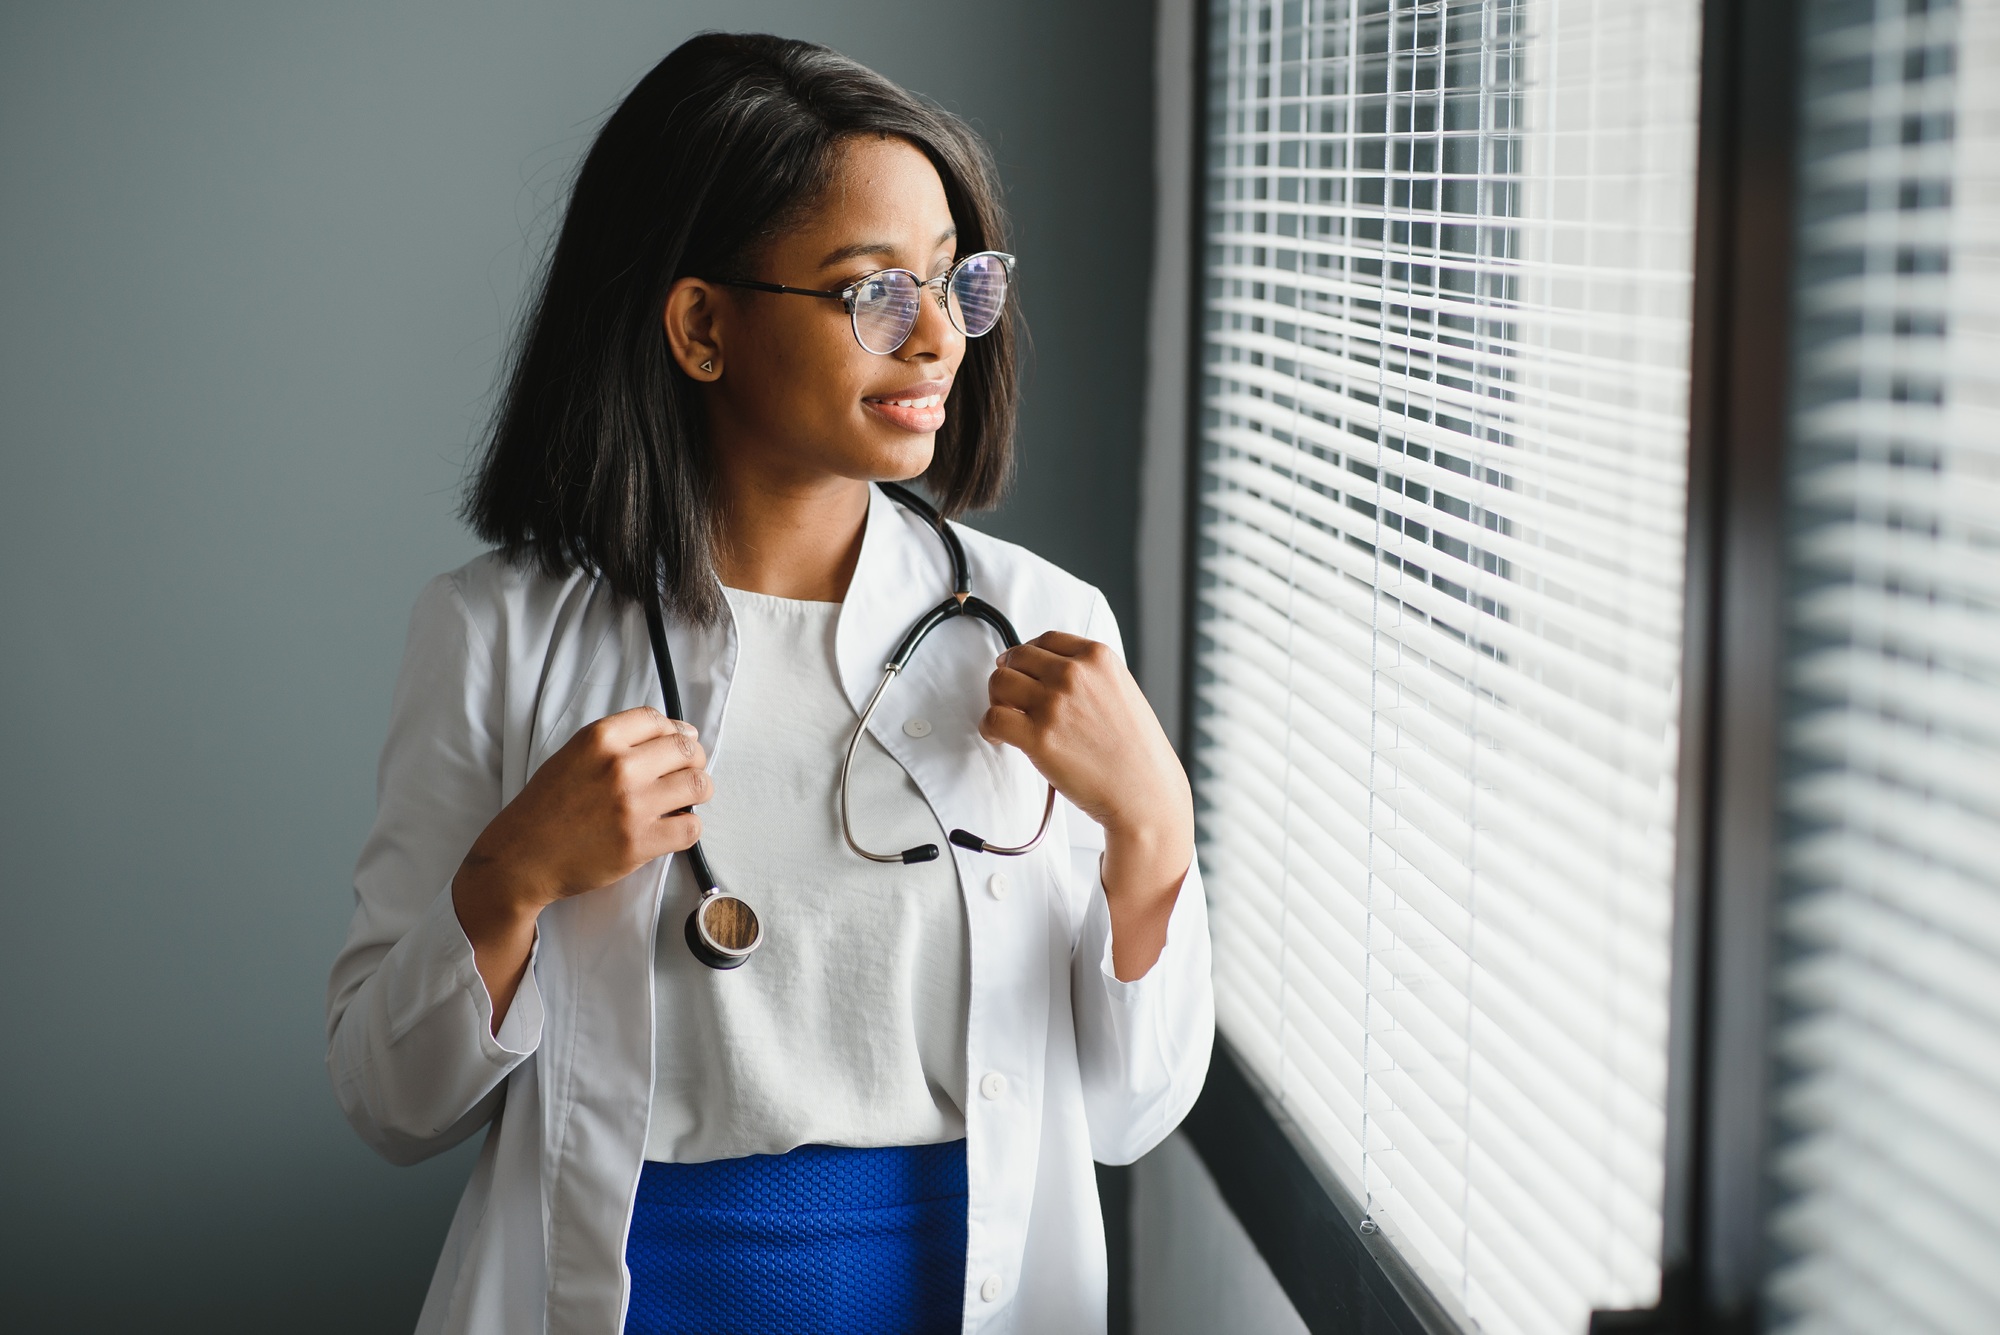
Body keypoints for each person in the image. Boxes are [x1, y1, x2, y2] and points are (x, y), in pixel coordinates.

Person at [326, 31, 1212, 1335]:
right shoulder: (496, 637)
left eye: (955, 283)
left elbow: (1135, 1112)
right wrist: (507, 880)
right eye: (870, 293)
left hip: (957, 1288)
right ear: (701, 326)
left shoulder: (1044, 629)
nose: (936, 343)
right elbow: (391, 1101)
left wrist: (1155, 830)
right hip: (633, 1295)